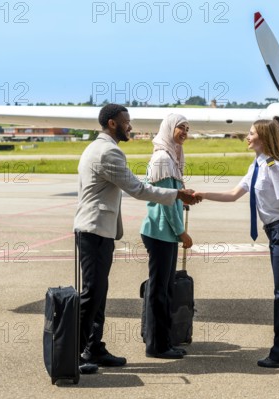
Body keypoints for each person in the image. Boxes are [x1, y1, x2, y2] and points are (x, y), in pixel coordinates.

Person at [73, 104, 200, 374]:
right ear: (112, 124)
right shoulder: (109, 152)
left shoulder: (97, 148)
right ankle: (73, 353)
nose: (130, 126)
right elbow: (138, 189)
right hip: (94, 231)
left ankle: (94, 347)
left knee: (98, 294)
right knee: (92, 294)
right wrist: (177, 195)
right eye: (126, 122)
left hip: (99, 231)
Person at [194, 119, 279, 369]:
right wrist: (201, 194)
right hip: (274, 232)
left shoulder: (274, 167)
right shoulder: (257, 165)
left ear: (264, 138)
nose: (247, 137)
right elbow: (234, 194)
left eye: (251, 134)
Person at [140, 114, 192, 359]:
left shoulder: (170, 156)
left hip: (165, 233)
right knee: (159, 292)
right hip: (161, 232)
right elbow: (168, 204)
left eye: (187, 128)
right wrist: (182, 232)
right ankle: (157, 345)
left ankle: (163, 341)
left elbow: (172, 195)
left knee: (164, 290)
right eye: (181, 127)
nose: (184, 132)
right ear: (169, 128)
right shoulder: (163, 158)